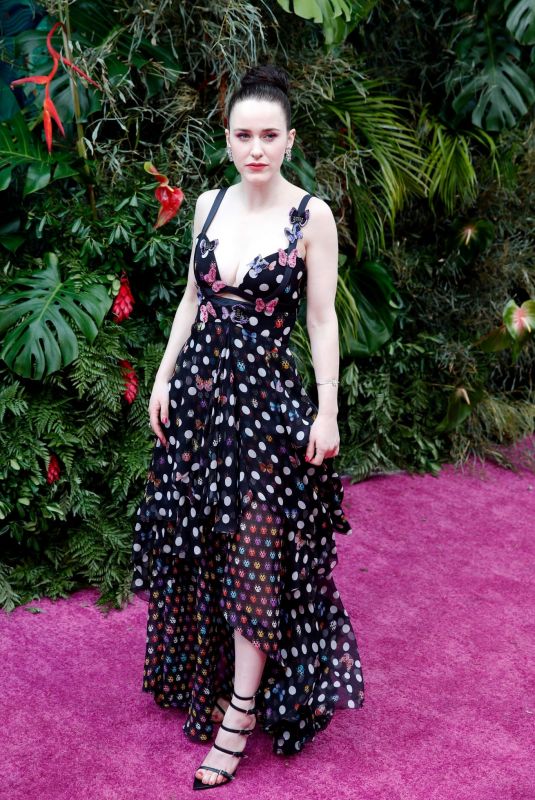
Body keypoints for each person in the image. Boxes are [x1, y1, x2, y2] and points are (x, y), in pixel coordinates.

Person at [130, 63, 364, 790]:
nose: (255, 147)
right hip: (200, 403)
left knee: (258, 554)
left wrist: (326, 409)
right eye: (242, 135)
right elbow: (190, 303)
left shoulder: (310, 216)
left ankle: (238, 716)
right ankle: (216, 682)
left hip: (265, 411)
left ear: (289, 139)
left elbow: (320, 319)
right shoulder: (205, 205)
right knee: (206, 546)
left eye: (268, 135)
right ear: (226, 139)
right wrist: (163, 377)